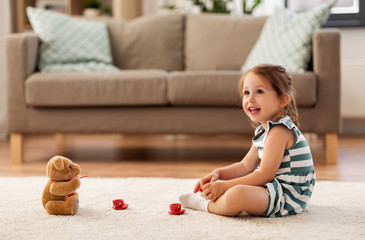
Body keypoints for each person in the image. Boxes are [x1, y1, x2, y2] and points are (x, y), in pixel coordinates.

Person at [179, 64, 315, 217]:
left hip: (287, 197)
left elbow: (264, 175)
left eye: (259, 92)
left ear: (282, 100)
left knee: (237, 194)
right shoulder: (265, 131)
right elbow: (245, 165)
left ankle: (203, 204)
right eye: (246, 92)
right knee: (236, 190)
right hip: (273, 189)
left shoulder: (279, 131)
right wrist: (218, 174)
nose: (250, 99)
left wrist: (225, 187)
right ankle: (216, 199)